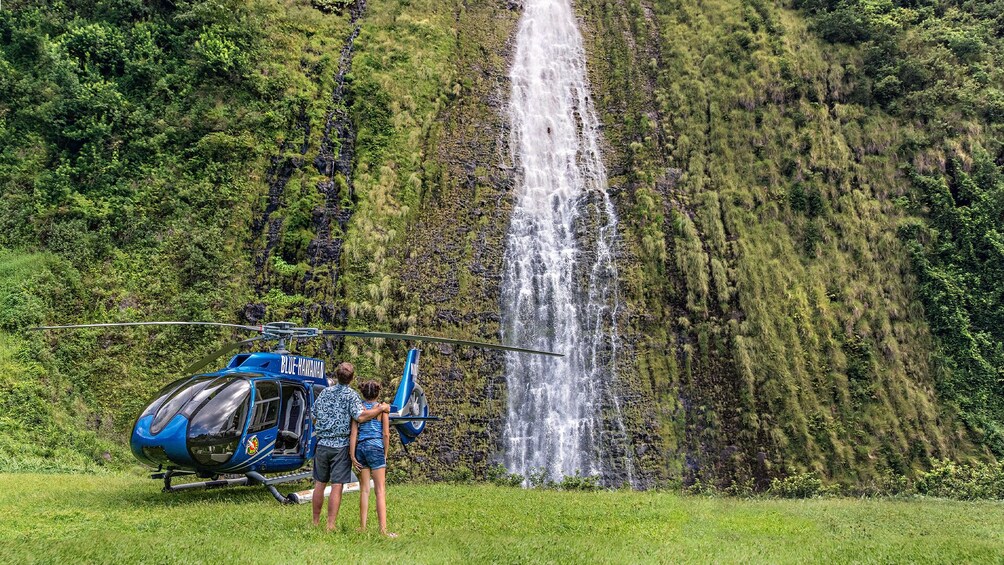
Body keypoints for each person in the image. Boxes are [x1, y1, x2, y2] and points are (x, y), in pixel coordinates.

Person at [311, 362, 389, 531]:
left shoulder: (325, 392)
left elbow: (314, 414)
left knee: (319, 483)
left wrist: (323, 429)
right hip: (340, 446)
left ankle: (315, 522)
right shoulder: (351, 396)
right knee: (337, 485)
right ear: (352, 378)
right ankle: (330, 525)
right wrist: (381, 408)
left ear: (337, 376)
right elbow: (360, 417)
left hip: (322, 443)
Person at [350, 380, 396, 537]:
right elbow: (386, 434)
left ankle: (362, 527)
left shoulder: (359, 409)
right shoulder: (382, 410)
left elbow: (354, 433)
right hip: (376, 447)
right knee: (380, 490)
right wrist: (385, 453)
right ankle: (383, 531)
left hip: (361, 448)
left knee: (364, 490)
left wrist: (352, 455)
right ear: (378, 393)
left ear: (363, 393)